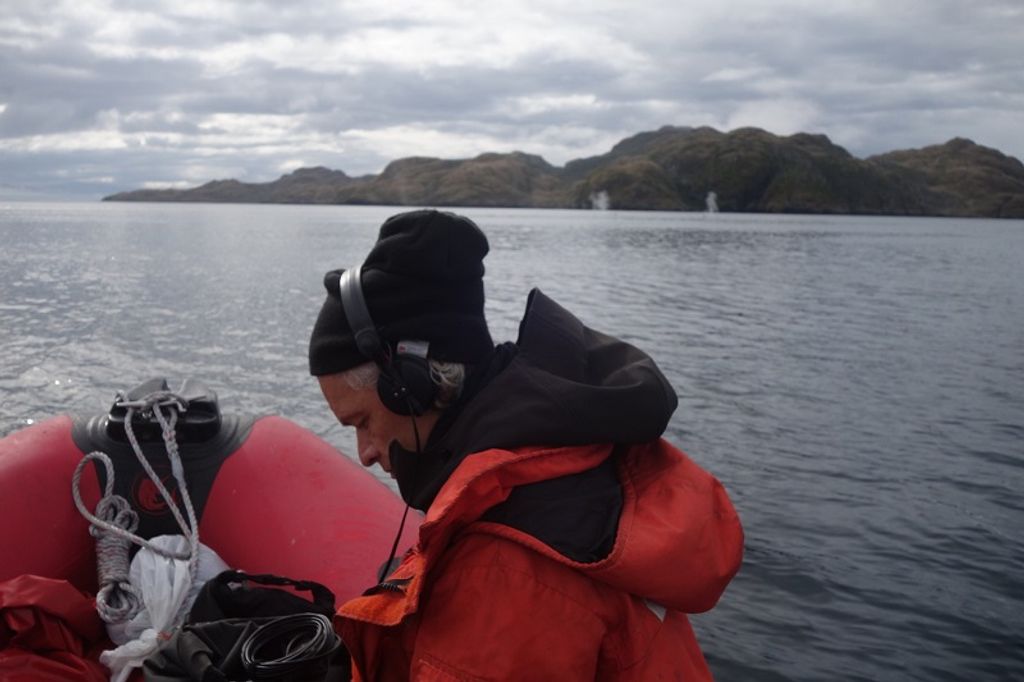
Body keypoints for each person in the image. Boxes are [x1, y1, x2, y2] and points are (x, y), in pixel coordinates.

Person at [308, 209, 743, 681]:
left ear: (412, 385)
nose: (365, 452)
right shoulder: (568, 453)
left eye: (362, 422)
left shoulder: (503, 567)